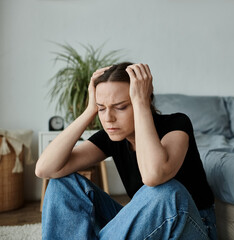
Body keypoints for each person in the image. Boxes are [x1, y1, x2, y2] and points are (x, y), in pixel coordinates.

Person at [35, 62, 217, 239]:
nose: (108, 118)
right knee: (63, 183)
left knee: (167, 191)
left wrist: (141, 102)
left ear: (143, 99)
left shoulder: (176, 125)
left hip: (189, 227)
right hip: (150, 227)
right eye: (102, 108)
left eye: (120, 107)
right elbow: (45, 169)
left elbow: (153, 176)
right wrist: (90, 110)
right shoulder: (113, 137)